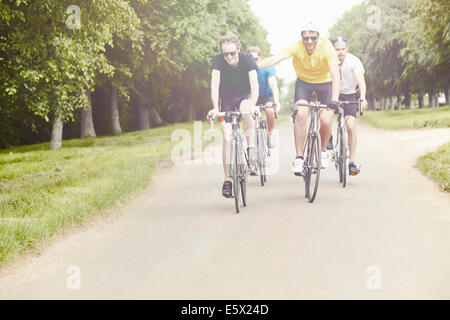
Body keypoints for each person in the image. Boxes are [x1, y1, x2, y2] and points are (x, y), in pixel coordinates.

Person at [257, 22, 341, 175]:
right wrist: (254, 66)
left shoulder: (327, 47)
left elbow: (336, 75)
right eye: (306, 38)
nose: (309, 42)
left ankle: (322, 150)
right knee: (301, 115)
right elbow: (276, 59)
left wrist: (334, 100)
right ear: (301, 37)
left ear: (318, 36)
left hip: (325, 83)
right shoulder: (296, 47)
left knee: (327, 119)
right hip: (304, 84)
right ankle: (299, 158)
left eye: (313, 38)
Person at [207, 32, 259, 198]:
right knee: (227, 139)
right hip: (227, 99)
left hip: (245, 96)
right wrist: (215, 108)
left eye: (232, 53)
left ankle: (251, 149)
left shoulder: (247, 59)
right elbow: (214, 86)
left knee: (246, 109)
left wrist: (253, 104)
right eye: (225, 54)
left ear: (238, 49)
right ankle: (228, 179)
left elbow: (254, 85)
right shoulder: (217, 60)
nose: (229, 57)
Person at [331, 36, 368, 175]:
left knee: (351, 125)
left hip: (349, 94)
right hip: (332, 93)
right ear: (333, 50)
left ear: (347, 49)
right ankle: (328, 139)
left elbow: (361, 81)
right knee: (325, 116)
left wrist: (363, 98)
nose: (340, 52)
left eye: (342, 49)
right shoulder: (329, 61)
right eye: (337, 49)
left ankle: (351, 162)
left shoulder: (354, 61)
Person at [247, 46, 281, 148]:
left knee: (270, 111)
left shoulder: (267, 67)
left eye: (256, 59)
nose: (253, 62)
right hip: (253, 96)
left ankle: (270, 135)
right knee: (253, 115)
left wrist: (276, 101)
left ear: (260, 57)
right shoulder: (246, 70)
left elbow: (273, 85)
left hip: (267, 95)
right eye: (251, 59)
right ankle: (254, 141)